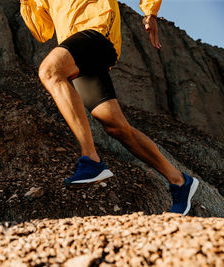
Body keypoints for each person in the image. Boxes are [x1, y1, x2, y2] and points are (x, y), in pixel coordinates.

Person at [20, 0, 199, 215]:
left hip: (97, 29)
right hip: (76, 47)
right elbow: (43, 31)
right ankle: (180, 181)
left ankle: (91, 160)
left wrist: (150, 12)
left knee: (50, 71)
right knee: (116, 126)